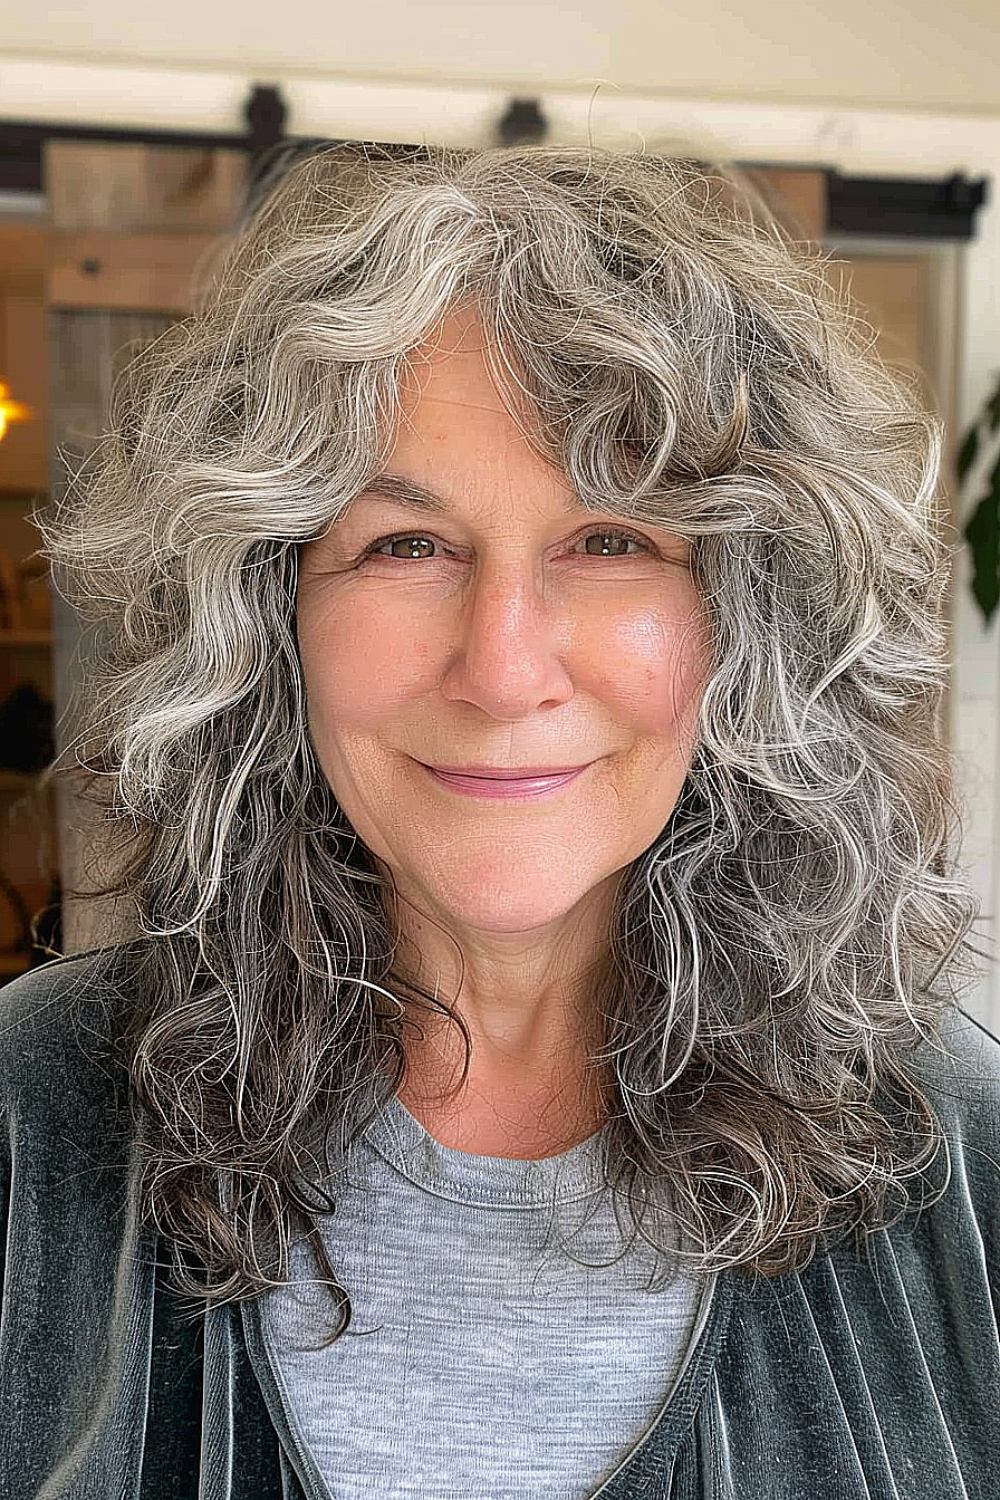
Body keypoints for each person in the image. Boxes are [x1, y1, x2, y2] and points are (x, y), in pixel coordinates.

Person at [0, 138, 997, 1500]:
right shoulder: (26, 1117)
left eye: (612, 540)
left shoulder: (966, 1153)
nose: (505, 665)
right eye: (404, 545)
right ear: (269, 615)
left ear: (752, 618)